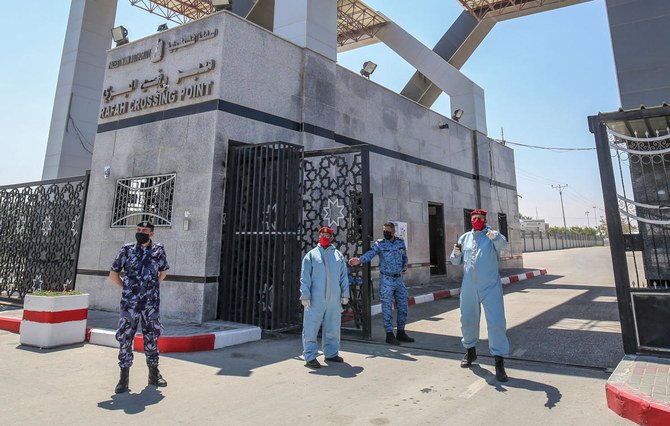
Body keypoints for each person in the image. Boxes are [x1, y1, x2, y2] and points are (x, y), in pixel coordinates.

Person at [109, 221, 170, 393]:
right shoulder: (126, 250)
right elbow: (113, 274)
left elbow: (163, 273)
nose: (140, 232)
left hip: (150, 304)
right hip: (130, 304)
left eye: (144, 230)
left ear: (151, 233)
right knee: (125, 338)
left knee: (152, 337)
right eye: (138, 230)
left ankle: (154, 374)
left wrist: (151, 288)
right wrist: (128, 289)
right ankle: (123, 379)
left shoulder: (158, 250)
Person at [450, 209, 510, 382]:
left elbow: (503, 245)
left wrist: (495, 238)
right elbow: (455, 261)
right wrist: (456, 252)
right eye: (474, 218)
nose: (477, 220)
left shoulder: (492, 234)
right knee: (467, 319)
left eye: (480, 218)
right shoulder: (464, 238)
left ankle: (499, 362)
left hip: (490, 287)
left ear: (485, 219)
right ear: (471, 220)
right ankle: (470, 352)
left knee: (496, 323)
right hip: (469, 287)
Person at [349, 222, 414, 345]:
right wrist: (359, 260)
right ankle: (389, 334)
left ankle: (401, 332)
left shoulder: (400, 242)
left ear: (394, 231)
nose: (385, 233)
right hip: (386, 280)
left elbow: (404, 257)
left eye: (388, 231)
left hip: (398, 279)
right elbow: (371, 254)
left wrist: (405, 266)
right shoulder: (380, 244)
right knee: (387, 307)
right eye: (384, 231)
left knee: (403, 305)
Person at [300, 226, 350, 369]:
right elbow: (305, 277)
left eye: (327, 236)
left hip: (333, 299)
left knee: (333, 326)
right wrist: (305, 295)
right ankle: (310, 356)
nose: (325, 237)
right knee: (311, 327)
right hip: (315, 299)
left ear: (331, 238)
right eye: (322, 235)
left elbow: (343, 277)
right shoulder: (311, 255)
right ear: (318, 236)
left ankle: (331, 353)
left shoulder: (338, 255)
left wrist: (345, 294)